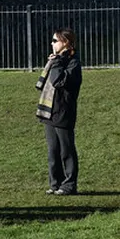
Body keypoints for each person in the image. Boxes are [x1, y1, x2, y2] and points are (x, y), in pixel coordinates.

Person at [37, 28, 83, 195]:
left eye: (55, 41)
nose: (52, 43)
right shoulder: (57, 60)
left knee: (67, 149)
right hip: (50, 110)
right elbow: (43, 82)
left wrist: (55, 63)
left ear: (66, 43)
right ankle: (55, 183)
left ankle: (69, 184)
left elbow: (58, 81)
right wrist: (53, 62)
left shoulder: (73, 63)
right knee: (53, 150)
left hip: (63, 111)